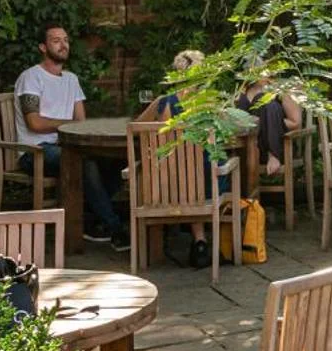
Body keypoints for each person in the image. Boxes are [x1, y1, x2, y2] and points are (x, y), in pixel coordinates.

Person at [15, 25, 127, 250]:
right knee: (84, 163)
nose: (63, 44)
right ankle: (115, 228)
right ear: (42, 47)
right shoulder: (31, 77)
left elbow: (81, 123)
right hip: (35, 151)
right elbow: (34, 123)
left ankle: (93, 220)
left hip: (67, 148)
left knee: (119, 158)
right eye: (56, 40)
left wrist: (72, 128)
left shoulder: (71, 80)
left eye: (65, 40)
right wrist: (67, 126)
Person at [134, 49, 220, 268]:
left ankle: (176, 242)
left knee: (183, 175)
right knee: (205, 170)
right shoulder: (208, 104)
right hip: (202, 188)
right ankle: (202, 241)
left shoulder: (163, 103)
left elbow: (136, 127)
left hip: (164, 187)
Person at [235, 66, 305, 178]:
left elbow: (295, 123)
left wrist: (264, 122)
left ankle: (273, 155)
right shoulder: (242, 91)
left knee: (267, 102)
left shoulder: (282, 89)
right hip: (251, 148)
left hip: (281, 146)